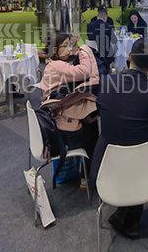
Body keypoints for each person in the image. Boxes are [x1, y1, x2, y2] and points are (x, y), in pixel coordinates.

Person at [89, 38, 148, 238]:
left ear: (129, 57)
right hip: (146, 168)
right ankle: (130, 217)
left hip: (106, 165)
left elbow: (101, 108)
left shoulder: (106, 83)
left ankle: (126, 215)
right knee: (139, 150)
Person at [40, 31, 100, 183]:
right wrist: (84, 50)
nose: (70, 50)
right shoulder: (57, 65)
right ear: (55, 50)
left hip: (55, 123)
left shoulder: (50, 64)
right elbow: (84, 72)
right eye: (65, 46)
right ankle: (89, 177)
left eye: (70, 45)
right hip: (64, 133)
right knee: (95, 134)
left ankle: (85, 175)